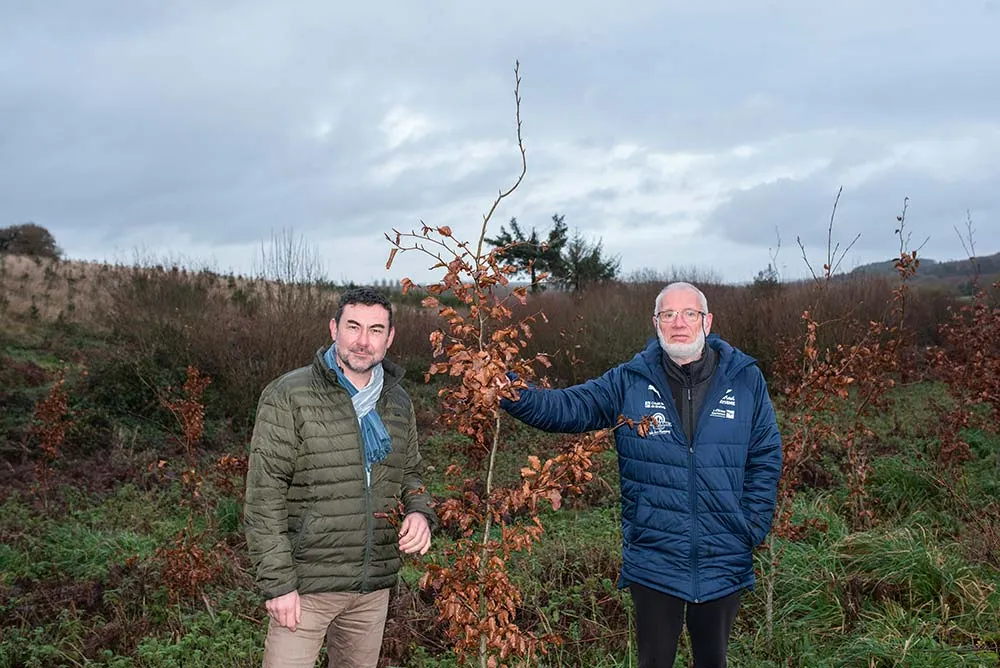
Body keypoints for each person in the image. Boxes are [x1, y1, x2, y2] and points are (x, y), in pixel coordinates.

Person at [500, 281, 782, 668]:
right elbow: (566, 407)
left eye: (689, 314)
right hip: (655, 557)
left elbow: (766, 454)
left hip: (724, 555)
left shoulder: (745, 379)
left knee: (714, 661)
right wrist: (510, 390)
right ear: (656, 323)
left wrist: (750, 525)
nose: (678, 323)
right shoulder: (629, 381)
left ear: (707, 321)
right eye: (668, 314)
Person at [244, 286, 437, 668]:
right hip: (305, 587)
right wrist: (279, 584)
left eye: (376, 330)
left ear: (390, 338)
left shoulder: (398, 401)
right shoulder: (290, 394)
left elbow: (411, 473)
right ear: (334, 328)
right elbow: (264, 496)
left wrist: (419, 511)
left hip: (371, 588)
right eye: (353, 327)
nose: (363, 341)